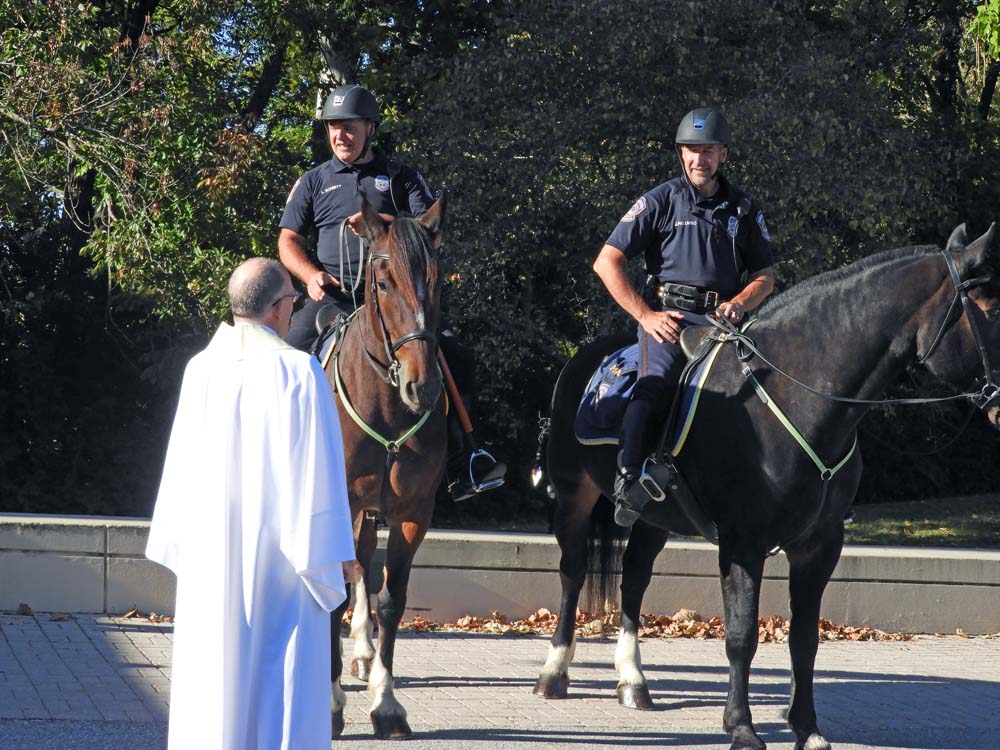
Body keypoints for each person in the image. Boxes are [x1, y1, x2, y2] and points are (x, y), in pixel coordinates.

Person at [146, 258, 356, 750]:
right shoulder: (300, 371)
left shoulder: (200, 369)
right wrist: (335, 550)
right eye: (292, 301)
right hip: (283, 561)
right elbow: (320, 470)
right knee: (281, 672)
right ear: (279, 308)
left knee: (215, 672)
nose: (294, 310)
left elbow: (180, 469)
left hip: (213, 555)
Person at [278, 83, 505, 500]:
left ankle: (466, 458)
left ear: (371, 128)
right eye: (333, 127)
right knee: (286, 357)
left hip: (396, 298)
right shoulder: (312, 181)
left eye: (349, 126)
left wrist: (384, 222)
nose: (340, 135)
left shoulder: (403, 177)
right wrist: (310, 275)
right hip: (334, 296)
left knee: (456, 353)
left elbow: (432, 231)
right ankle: (279, 461)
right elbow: (288, 240)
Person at [593, 107, 776, 528]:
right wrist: (646, 315)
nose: (699, 158)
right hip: (670, 321)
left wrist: (740, 303)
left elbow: (765, 276)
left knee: (772, 388)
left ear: (724, 154)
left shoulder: (744, 209)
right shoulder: (659, 200)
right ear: (680, 154)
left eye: (708, 150)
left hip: (725, 326)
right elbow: (607, 261)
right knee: (653, 385)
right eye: (691, 150)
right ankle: (628, 479)